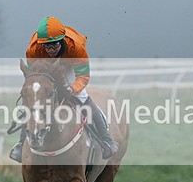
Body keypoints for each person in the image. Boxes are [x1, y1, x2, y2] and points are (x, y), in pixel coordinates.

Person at [9, 16, 118, 162]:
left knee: (82, 97)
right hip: (44, 69)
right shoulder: (34, 49)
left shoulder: (76, 47)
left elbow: (83, 77)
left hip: (69, 66)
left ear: (62, 40)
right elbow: (33, 76)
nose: (51, 49)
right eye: (47, 46)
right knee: (34, 103)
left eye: (54, 45)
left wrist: (72, 89)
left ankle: (106, 141)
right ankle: (20, 144)